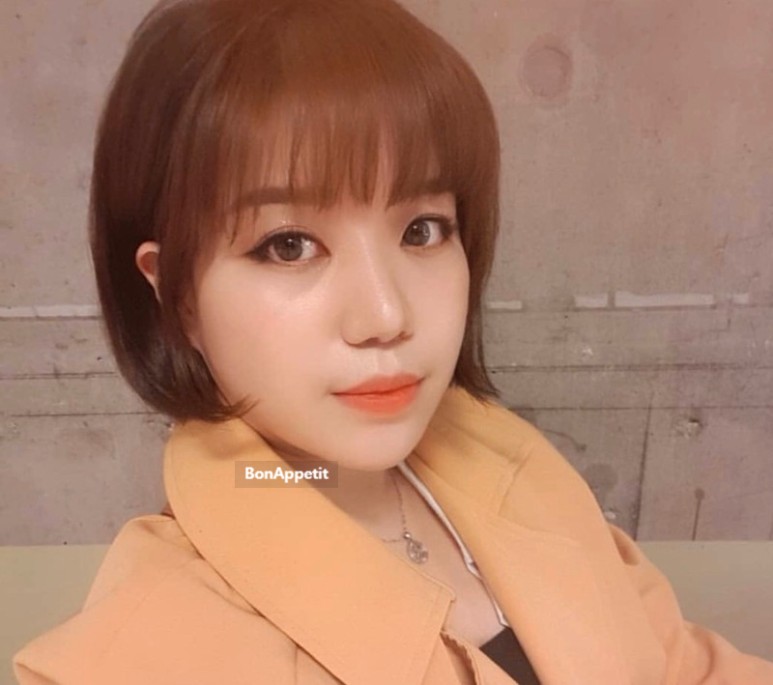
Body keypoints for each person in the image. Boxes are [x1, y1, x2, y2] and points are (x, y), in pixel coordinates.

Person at [13, 0, 773, 683]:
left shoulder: (511, 464)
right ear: (176, 294)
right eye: (288, 245)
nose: (385, 314)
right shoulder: (145, 648)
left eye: (421, 230)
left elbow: (681, 664)